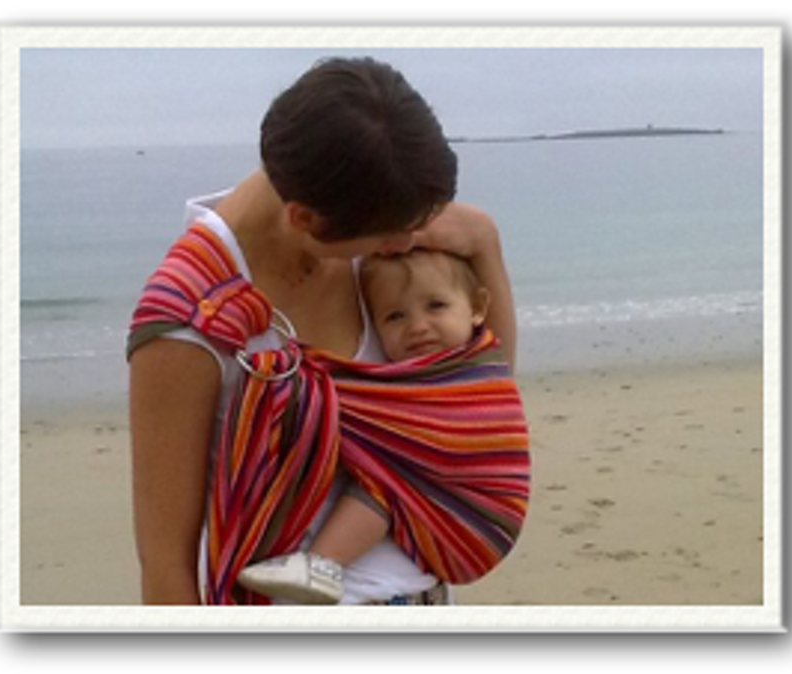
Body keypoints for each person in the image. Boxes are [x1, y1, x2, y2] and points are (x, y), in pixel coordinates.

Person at [128, 56, 518, 606]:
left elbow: (472, 400)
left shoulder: (379, 223)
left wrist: (483, 244)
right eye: (394, 235)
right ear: (303, 220)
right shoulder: (189, 321)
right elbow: (165, 568)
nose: (409, 243)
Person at [236, 250, 492, 603]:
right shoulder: (402, 376)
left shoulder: (474, 373)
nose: (417, 326)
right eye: (395, 316)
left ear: (478, 308)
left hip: (463, 517)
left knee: (384, 480)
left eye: (436, 306)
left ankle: (323, 563)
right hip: (417, 569)